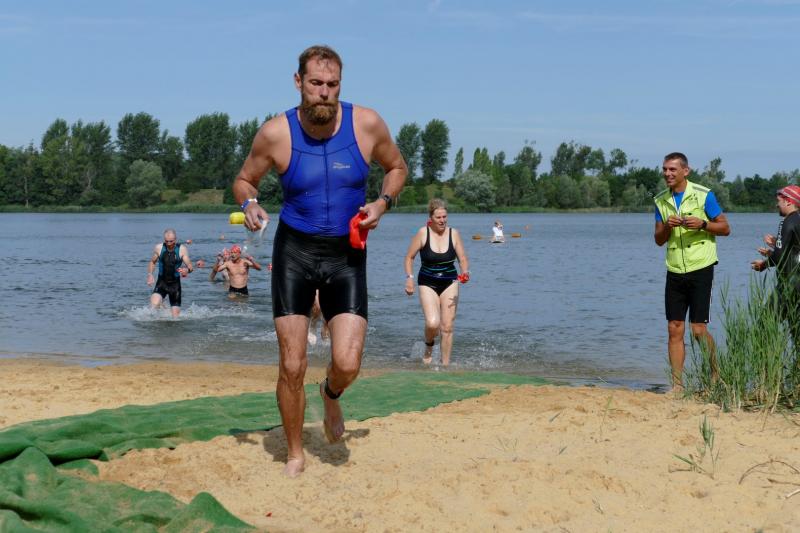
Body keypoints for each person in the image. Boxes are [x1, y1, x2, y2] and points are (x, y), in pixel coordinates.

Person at [232, 45, 407, 476]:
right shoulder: (276, 133)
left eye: (332, 84)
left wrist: (382, 203)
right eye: (315, 83)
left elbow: (397, 168)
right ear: (299, 83)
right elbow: (244, 179)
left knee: (347, 363)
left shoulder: (366, 124)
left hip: (347, 255)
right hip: (295, 251)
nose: (324, 92)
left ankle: (330, 396)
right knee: (292, 363)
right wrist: (250, 204)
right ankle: (295, 452)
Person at [654, 152, 730, 393]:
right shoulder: (661, 200)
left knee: (698, 330)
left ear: (685, 171)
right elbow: (658, 239)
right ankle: (677, 386)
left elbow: (725, 228)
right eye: (665, 169)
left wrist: (703, 224)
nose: (667, 174)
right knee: (674, 327)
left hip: (701, 268)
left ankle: (716, 375)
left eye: (672, 169)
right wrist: (667, 226)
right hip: (675, 269)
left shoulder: (703, 194)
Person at [404, 198, 470, 366]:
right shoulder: (423, 233)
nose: (442, 220)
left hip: (450, 282)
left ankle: (445, 366)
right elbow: (409, 257)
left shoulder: (454, 234)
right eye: (438, 217)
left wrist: (465, 272)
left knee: (447, 327)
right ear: (431, 218)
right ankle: (429, 345)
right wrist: (409, 278)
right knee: (433, 323)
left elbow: (462, 258)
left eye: (444, 217)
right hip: (427, 282)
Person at [751, 185, 800, 350]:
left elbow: (780, 256)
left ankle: (764, 364)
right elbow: (792, 251)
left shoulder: (786, 222)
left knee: (764, 326)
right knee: (796, 332)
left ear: (788, 201)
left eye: (779, 201)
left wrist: (764, 264)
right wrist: (773, 249)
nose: (777, 204)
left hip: (789, 285)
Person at [146, 228, 194, 318]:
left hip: (175, 286)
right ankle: (161, 305)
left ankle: (164, 307)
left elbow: (190, 266)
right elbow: (152, 262)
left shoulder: (182, 249)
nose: (168, 243)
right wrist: (150, 274)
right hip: (161, 283)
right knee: (153, 306)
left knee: (175, 318)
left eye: (171, 241)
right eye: (166, 241)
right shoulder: (159, 248)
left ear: (175, 239)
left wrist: (187, 270)